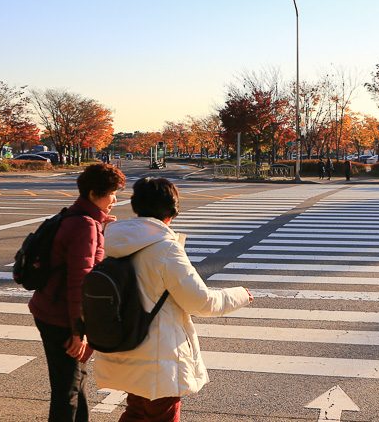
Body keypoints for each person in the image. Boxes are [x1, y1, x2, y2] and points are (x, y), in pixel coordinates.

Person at [94, 177, 252, 421]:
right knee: (159, 414)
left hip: (124, 343)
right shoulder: (165, 248)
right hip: (156, 357)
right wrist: (240, 294)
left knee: (137, 411)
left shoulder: (114, 240)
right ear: (171, 211)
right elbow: (201, 302)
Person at [29, 163, 126, 422]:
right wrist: (78, 330)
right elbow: (79, 282)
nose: (115, 199)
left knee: (75, 382)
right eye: (112, 193)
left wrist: (101, 225)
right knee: (67, 391)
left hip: (49, 307)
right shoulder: (85, 225)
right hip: (61, 317)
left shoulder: (79, 217)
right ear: (94, 194)